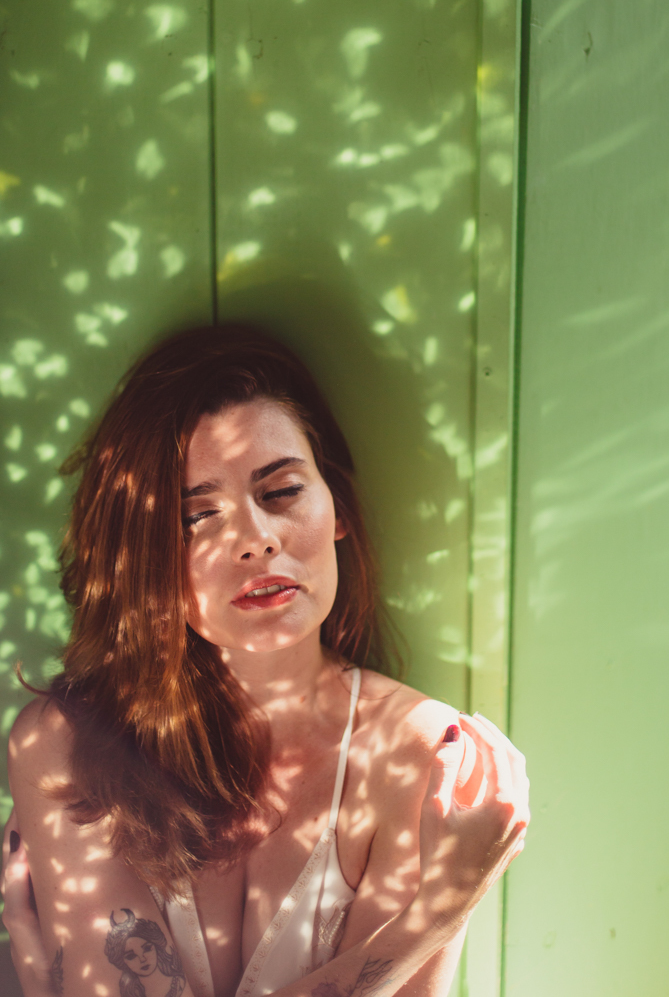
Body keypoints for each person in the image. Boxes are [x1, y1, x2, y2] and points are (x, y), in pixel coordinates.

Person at [1, 324, 529, 997]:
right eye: (196, 517)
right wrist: (434, 914)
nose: (255, 540)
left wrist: (34, 964)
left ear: (335, 507)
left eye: (280, 492)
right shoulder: (67, 748)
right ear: (146, 561)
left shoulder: (420, 759)